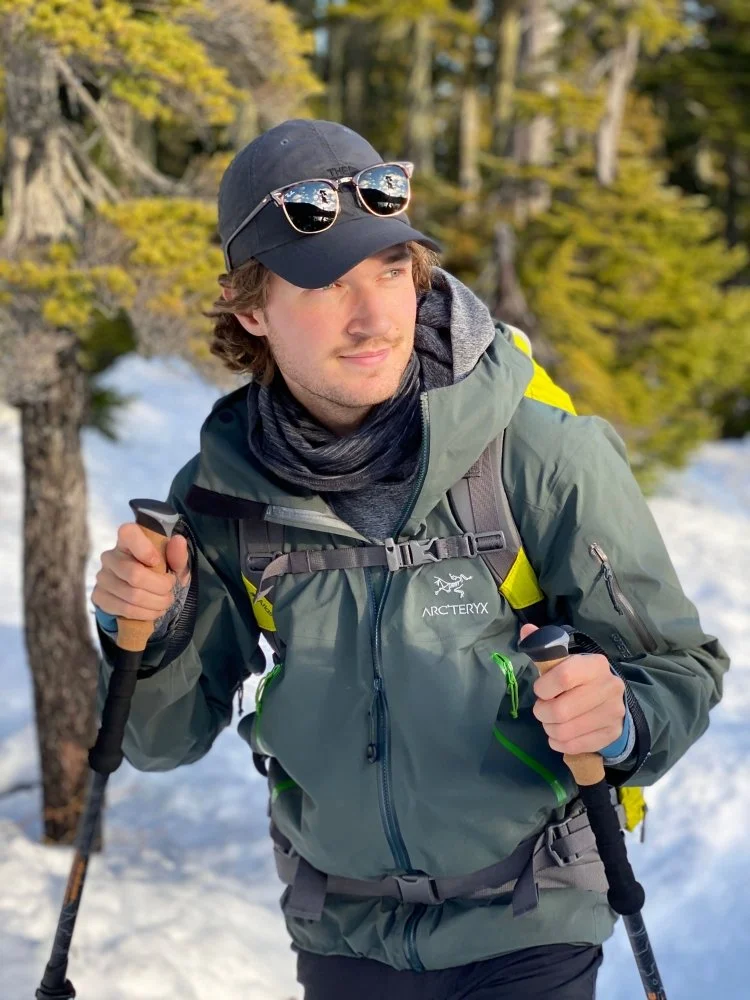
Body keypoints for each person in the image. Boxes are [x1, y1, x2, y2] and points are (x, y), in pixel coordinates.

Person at [91, 119, 730, 1000]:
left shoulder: (539, 456)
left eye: (392, 270)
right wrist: (145, 633)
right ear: (251, 308)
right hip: (341, 931)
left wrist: (620, 720)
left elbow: (678, 665)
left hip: (531, 914)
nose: (373, 316)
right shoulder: (220, 494)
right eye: (325, 282)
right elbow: (159, 740)